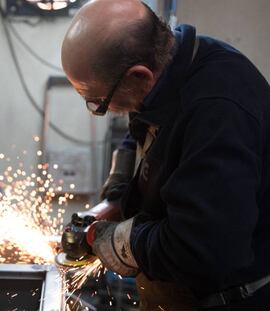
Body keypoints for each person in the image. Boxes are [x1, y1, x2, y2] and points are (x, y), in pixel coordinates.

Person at [60, 0, 270, 310]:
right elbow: (141, 134)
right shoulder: (171, 67)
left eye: (100, 103)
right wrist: (114, 200)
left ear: (138, 76)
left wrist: (115, 241)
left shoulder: (219, 109)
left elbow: (199, 250)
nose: (101, 111)